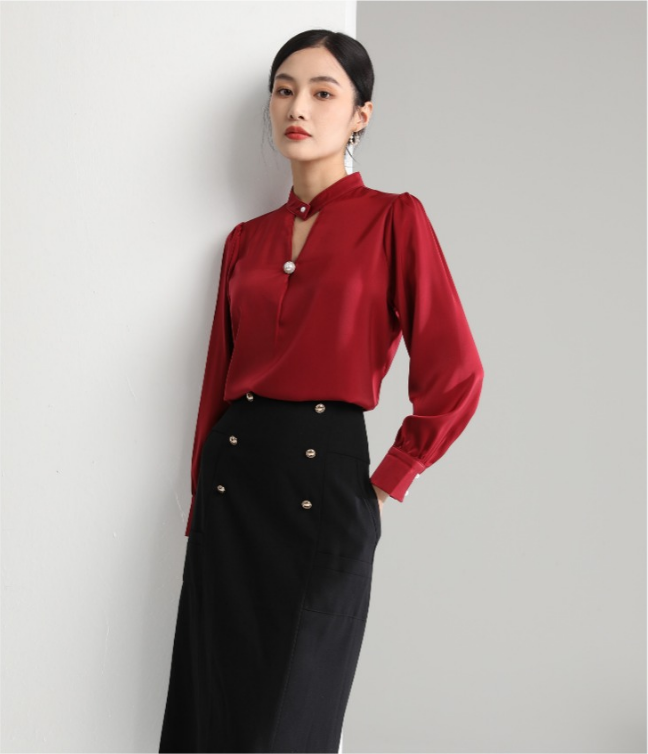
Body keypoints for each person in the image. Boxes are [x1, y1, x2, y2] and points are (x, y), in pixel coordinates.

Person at [159, 28, 484, 754]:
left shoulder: (394, 219)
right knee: (211, 717)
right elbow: (217, 380)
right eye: (283, 90)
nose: (297, 107)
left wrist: (390, 479)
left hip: (324, 484)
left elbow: (456, 372)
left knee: (290, 723)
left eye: (322, 92)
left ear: (361, 114)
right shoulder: (245, 240)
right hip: (232, 488)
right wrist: (200, 506)